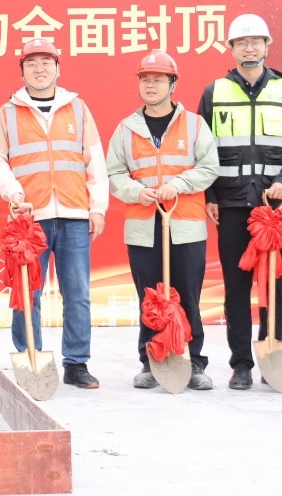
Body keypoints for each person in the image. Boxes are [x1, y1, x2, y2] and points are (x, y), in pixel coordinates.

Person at [197, 13, 282, 390]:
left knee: (274, 285)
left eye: (256, 42)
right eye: (242, 42)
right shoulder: (214, 93)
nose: (249, 48)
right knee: (236, 287)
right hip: (231, 205)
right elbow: (203, 149)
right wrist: (210, 195)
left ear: (266, 47)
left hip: (275, 208)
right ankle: (241, 365)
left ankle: (270, 355)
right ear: (231, 49)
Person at [0, 38, 106, 389]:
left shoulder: (78, 109)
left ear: (58, 68)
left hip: (73, 215)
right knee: (27, 293)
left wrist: (97, 208)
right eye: (32, 63)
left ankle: (76, 363)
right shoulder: (8, 113)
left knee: (77, 293)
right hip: (29, 219)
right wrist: (14, 193)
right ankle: (30, 357)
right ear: (22, 71)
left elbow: (94, 161)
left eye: (46, 62)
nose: (39, 69)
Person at [106, 51, 219, 391]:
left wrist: (178, 185)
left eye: (158, 79)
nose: (151, 85)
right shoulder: (126, 129)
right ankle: (150, 360)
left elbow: (209, 166)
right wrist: (136, 191)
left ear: (173, 84)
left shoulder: (194, 125)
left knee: (188, 295)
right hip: (144, 226)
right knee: (150, 297)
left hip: (185, 224)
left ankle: (193, 362)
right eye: (145, 79)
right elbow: (113, 173)